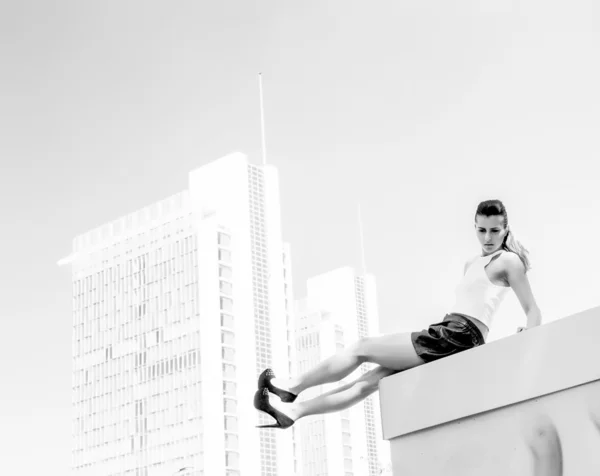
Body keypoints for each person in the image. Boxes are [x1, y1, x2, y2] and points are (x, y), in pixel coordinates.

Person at [254, 199, 542, 429]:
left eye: (495, 230)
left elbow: (532, 309)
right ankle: (295, 411)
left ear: (505, 229)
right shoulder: (471, 263)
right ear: (474, 227)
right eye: (481, 230)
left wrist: (528, 332)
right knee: (371, 382)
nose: (488, 237)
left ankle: (292, 386)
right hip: (450, 332)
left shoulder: (509, 260)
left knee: (362, 348)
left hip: (460, 336)